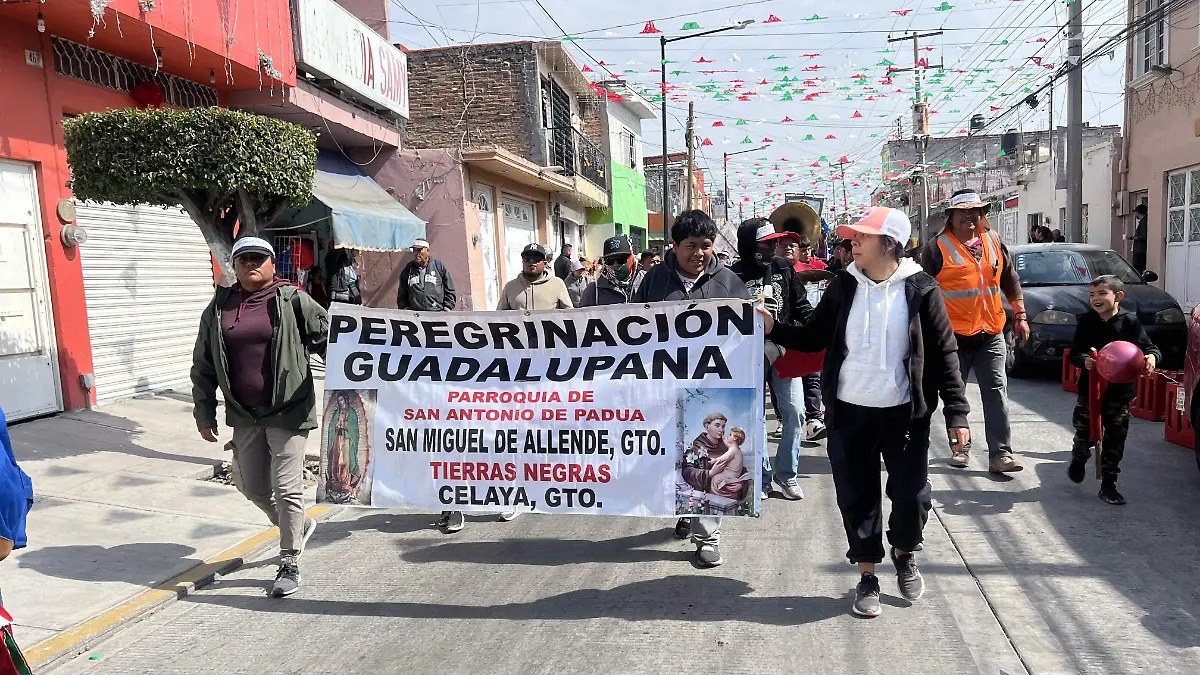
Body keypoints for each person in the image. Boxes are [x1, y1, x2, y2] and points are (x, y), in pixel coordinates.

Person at [759, 206, 970, 618]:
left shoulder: (921, 289)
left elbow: (946, 354)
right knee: (858, 497)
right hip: (851, 411)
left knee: (911, 497)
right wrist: (774, 329)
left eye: (862, 236)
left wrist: (957, 414)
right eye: (853, 236)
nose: (852, 241)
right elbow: (814, 336)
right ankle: (868, 574)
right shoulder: (844, 286)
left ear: (889, 243)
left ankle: (905, 551)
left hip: (904, 415)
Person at [191, 237, 328, 597]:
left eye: (258, 258)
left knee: (287, 489)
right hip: (244, 413)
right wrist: (204, 411)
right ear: (234, 267)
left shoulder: (293, 299)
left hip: (289, 409)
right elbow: (203, 364)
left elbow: (330, 339)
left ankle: (289, 560)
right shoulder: (220, 307)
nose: (251, 264)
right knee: (251, 486)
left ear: (271, 263)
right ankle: (295, 527)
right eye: (243, 259)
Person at [634, 210, 751, 568]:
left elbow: (750, 332)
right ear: (674, 246)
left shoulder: (729, 282)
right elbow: (631, 329)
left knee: (705, 456)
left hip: (710, 388)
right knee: (671, 458)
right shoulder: (654, 280)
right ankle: (683, 509)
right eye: (690, 246)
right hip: (664, 386)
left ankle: (708, 537)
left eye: (705, 245)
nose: (699, 253)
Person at [919, 190, 1028, 474]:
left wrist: (1021, 315)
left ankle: (1001, 454)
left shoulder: (993, 241)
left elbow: (1009, 280)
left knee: (996, 392)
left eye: (975, 211)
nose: (970, 216)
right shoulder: (936, 248)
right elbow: (920, 290)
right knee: (956, 394)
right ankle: (960, 447)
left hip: (991, 332)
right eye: (963, 212)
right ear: (950, 217)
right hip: (951, 337)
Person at [731, 219, 812, 501]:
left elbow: (801, 305)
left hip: (784, 351)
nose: (773, 247)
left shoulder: (783, 268)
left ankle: (787, 474)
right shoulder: (731, 276)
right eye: (767, 243)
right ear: (750, 246)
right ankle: (763, 478)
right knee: (756, 418)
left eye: (774, 242)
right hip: (748, 357)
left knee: (796, 412)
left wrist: (819, 328)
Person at [1066, 275, 1161, 505]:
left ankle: (1109, 484)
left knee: (1115, 437)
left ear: (1118, 296)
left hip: (1120, 392)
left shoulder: (1130, 322)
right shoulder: (1087, 321)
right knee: (1085, 431)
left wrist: (1151, 358)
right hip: (1091, 390)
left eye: (1101, 294)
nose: (1095, 299)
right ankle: (1080, 456)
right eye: (1092, 294)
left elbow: (1150, 347)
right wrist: (1084, 361)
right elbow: (1075, 353)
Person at [497, 243, 574, 311]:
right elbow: (499, 317)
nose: (532, 262)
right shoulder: (510, 287)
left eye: (536, 259)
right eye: (527, 259)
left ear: (544, 263)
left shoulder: (557, 284)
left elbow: (569, 314)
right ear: (523, 262)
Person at [397, 238, 456, 312]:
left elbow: (449, 289)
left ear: (427, 251)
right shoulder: (408, 270)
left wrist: (447, 307)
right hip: (416, 317)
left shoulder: (438, 267)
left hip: (437, 313)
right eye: (414, 250)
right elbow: (402, 293)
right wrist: (405, 308)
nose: (416, 253)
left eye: (419, 250)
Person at [580, 236, 638, 306]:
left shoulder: (645, 281)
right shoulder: (594, 290)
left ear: (631, 258)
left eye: (621, 259)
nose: (615, 264)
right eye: (610, 260)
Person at [1131, 204, 1148, 273]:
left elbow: (1143, 236)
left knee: (1138, 271)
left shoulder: (1144, 222)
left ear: (1138, 213)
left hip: (1140, 251)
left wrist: (1134, 237)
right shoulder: (1143, 221)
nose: (1135, 215)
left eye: (1135, 213)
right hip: (1140, 250)